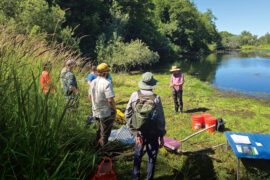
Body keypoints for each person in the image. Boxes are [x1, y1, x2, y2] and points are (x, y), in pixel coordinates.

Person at [125, 72, 166, 180]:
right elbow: (160, 119)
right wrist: (161, 135)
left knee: (137, 155)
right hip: (153, 132)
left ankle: (135, 177)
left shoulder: (135, 95)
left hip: (139, 132)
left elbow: (127, 114)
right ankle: (149, 178)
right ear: (152, 84)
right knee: (151, 156)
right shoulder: (157, 98)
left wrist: (134, 132)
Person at [89, 63, 116, 147]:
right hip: (105, 112)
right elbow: (110, 100)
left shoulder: (93, 82)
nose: (108, 73)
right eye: (107, 71)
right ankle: (103, 150)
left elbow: (89, 97)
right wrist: (114, 109)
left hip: (95, 110)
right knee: (105, 132)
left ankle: (96, 146)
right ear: (104, 72)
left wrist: (94, 104)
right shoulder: (107, 83)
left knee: (98, 130)